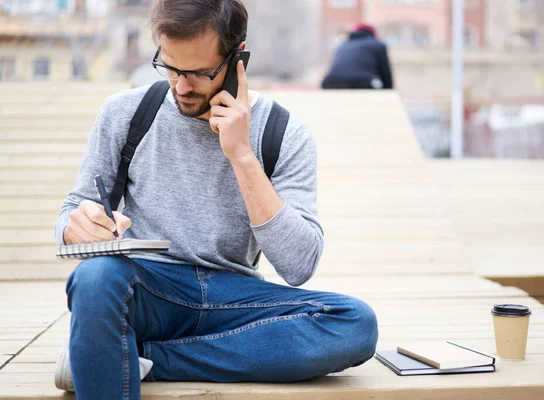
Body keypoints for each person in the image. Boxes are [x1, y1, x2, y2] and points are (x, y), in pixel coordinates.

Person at [53, 0, 378, 398]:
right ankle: (118, 354)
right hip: (150, 290)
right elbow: (74, 209)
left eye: (199, 73)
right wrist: (75, 227)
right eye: (170, 67)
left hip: (235, 297)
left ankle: (138, 359)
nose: (181, 86)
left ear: (237, 56)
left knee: (354, 324)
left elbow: (298, 265)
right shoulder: (126, 112)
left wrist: (242, 155)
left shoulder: (283, 132)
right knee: (92, 278)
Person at [322, 23, 393, 90]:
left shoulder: (343, 45)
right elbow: (385, 73)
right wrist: (388, 92)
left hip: (330, 82)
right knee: (377, 86)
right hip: (362, 82)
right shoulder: (378, 45)